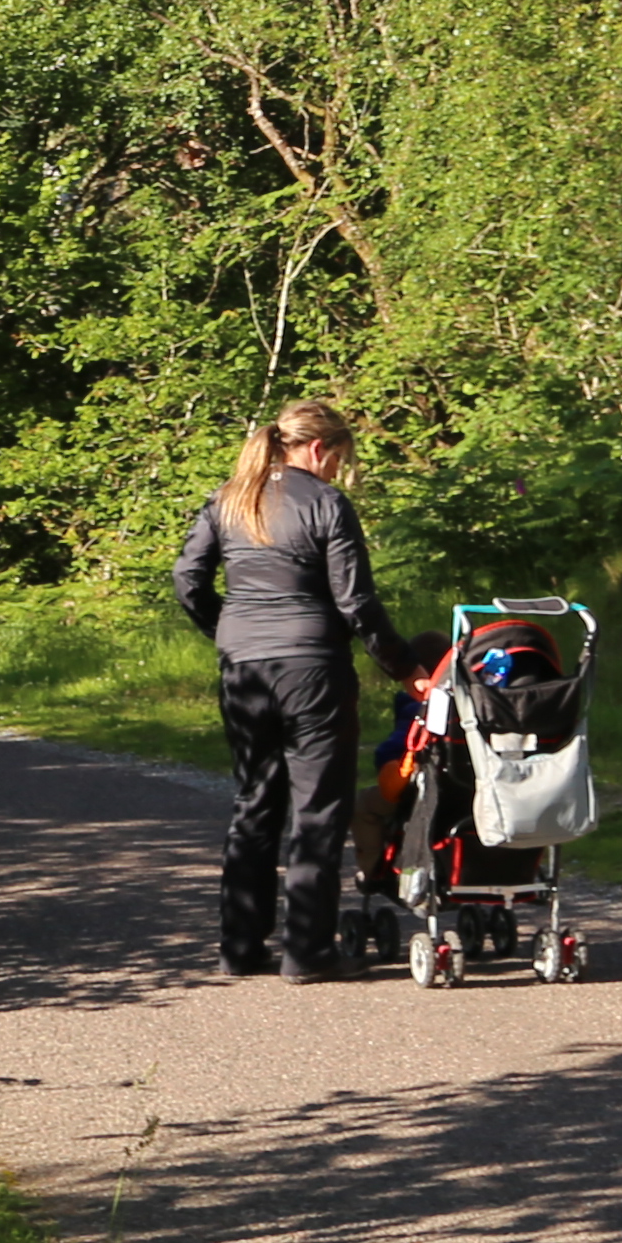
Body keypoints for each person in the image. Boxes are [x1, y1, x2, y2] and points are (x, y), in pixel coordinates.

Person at [167, 397, 419, 978]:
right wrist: (405, 668)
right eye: (338, 458)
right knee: (317, 811)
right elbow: (355, 602)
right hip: (314, 672)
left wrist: (227, 630)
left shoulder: (227, 499)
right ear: (317, 449)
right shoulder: (326, 503)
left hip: (245, 671)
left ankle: (240, 947)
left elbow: (188, 580)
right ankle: (307, 952)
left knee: (254, 804)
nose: (336, 470)